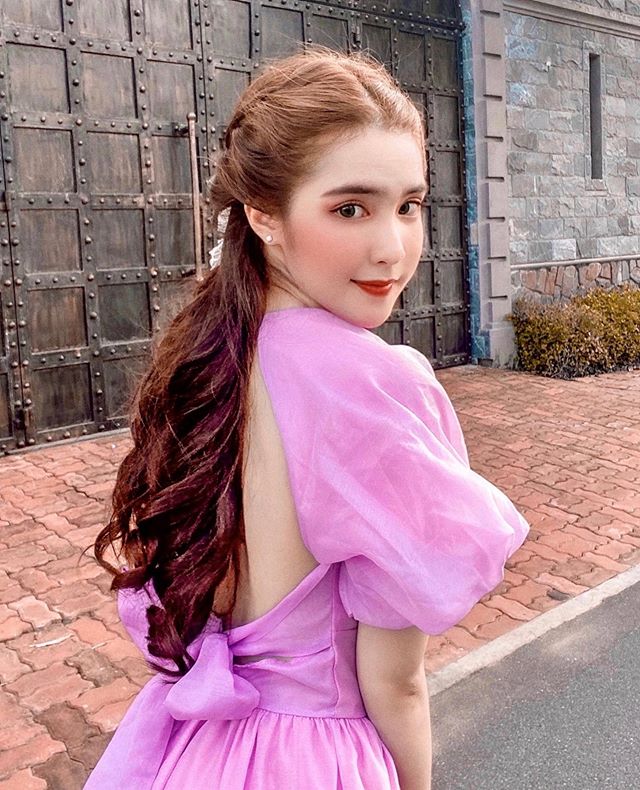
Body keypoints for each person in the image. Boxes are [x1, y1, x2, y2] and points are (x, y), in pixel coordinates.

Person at [86, 47, 529, 790]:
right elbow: (396, 682)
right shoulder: (369, 383)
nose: (392, 248)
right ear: (264, 214)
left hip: (197, 751)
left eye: (409, 206)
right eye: (350, 208)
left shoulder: (212, 353)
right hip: (313, 760)